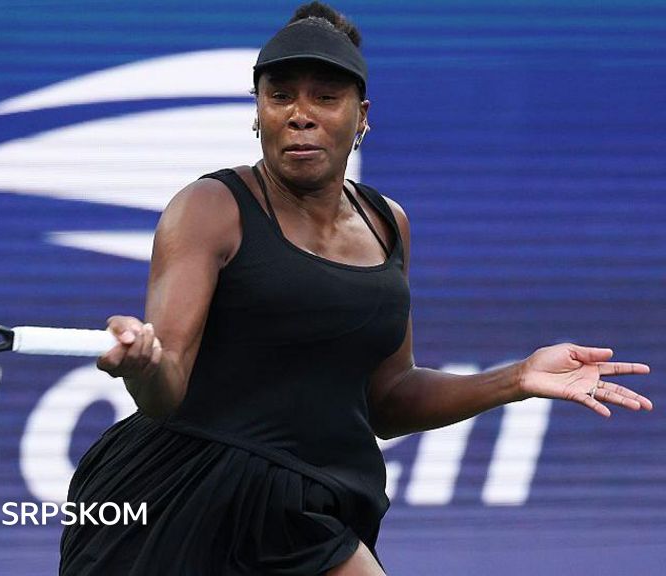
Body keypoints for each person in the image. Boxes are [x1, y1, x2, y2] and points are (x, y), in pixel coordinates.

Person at [59, 3, 654, 575]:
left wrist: (517, 378)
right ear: (258, 111)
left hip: (302, 510)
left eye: (325, 97)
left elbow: (388, 400)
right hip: (176, 498)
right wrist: (144, 364)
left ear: (361, 114)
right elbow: (165, 389)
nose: (300, 114)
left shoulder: (388, 223)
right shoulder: (209, 207)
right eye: (280, 96)